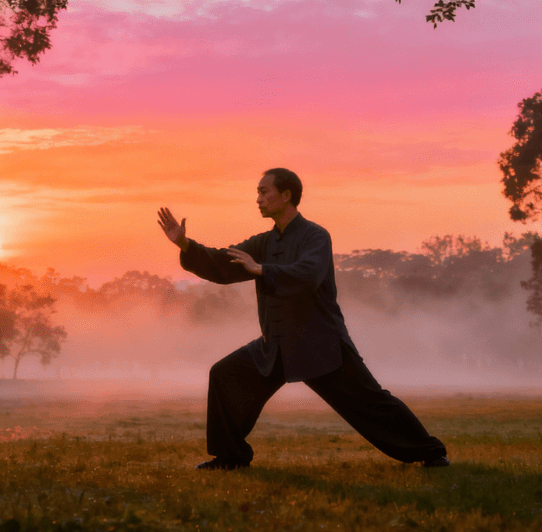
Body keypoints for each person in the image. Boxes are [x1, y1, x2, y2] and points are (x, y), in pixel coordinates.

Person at [157, 167, 449, 470]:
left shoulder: (316, 237)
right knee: (225, 374)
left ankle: (430, 452)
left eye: (263, 191)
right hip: (276, 345)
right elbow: (224, 264)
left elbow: (308, 276)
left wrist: (263, 270)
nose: (258, 198)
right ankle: (230, 456)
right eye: (257, 192)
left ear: (286, 196)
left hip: (319, 344)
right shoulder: (263, 243)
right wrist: (186, 246)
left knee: (370, 402)